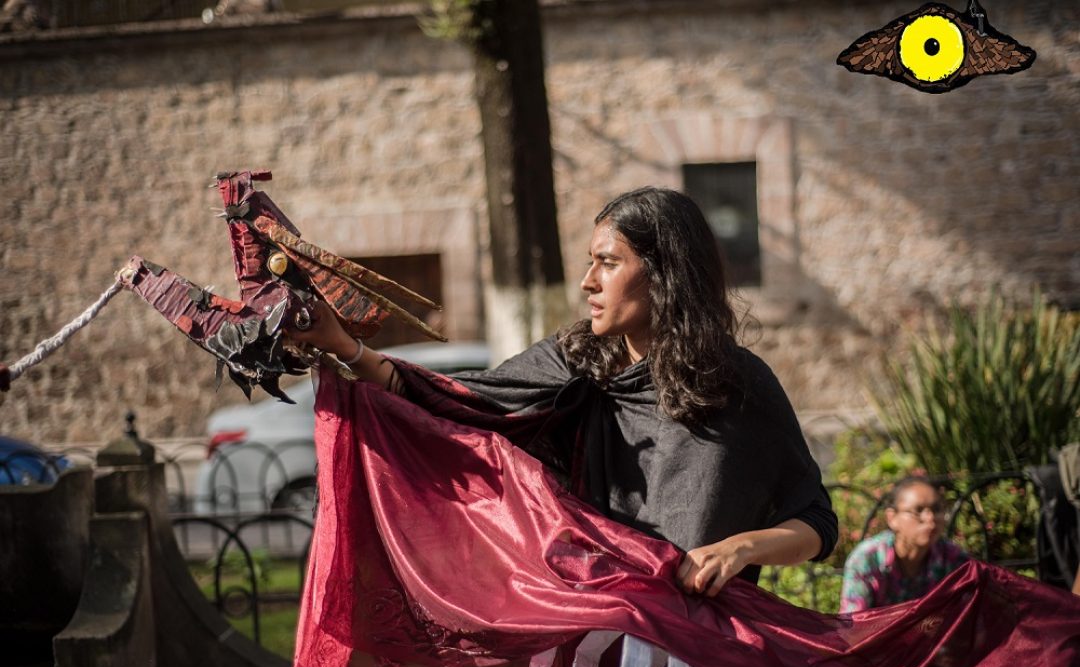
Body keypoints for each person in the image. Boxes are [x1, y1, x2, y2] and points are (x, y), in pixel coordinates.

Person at [292, 186, 838, 598]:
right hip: (593, 633)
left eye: (608, 262)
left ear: (665, 273)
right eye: (589, 262)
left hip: (704, 648)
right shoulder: (574, 363)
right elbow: (451, 399)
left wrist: (742, 547)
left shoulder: (739, 384)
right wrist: (344, 347)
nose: (588, 282)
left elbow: (814, 519)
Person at [839, 476, 969, 613]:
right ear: (892, 518)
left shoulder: (953, 558)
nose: (930, 518)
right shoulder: (867, 559)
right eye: (918, 510)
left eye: (936, 509)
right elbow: (853, 624)